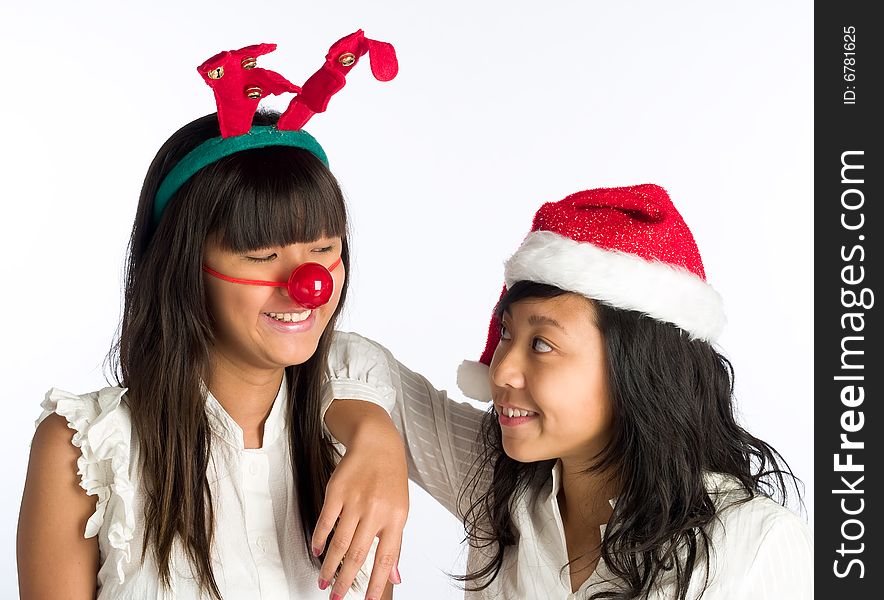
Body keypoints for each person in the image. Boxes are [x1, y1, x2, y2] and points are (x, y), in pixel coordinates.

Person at [17, 35, 409, 600]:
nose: (307, 285)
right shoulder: (85, 452)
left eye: (324, 248)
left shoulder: (352, 435)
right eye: (262, 255)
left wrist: (377, 436)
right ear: (185, 266)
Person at [327, 184, 814, 598]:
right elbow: (334, 352)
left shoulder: (753, 543)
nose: (501, 371)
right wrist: (375, 439)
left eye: (542, 343)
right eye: (507, 335)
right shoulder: (499, 483)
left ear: (639, 370)